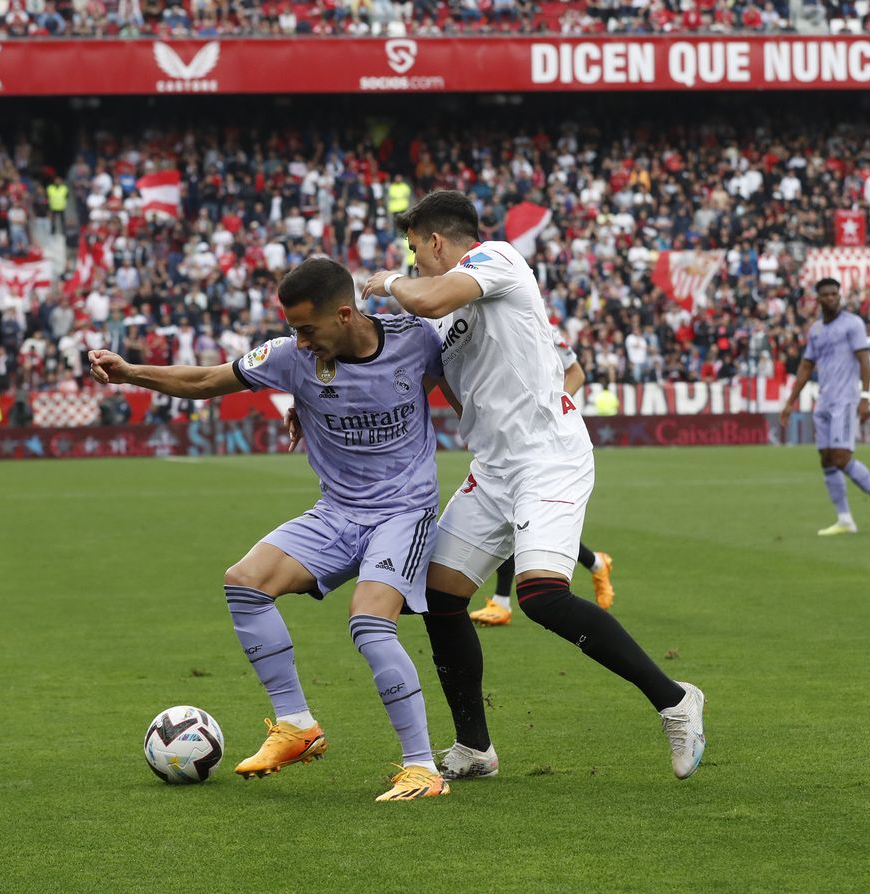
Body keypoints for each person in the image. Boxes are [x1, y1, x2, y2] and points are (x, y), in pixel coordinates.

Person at [365, 191, 705, 782]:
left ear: (437, 241)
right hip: (494, 467)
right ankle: (475, 747)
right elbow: (440, 383)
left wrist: (389, 281)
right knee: (441, 597)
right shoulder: (442, 318)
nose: (414, 259)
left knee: (542, 595)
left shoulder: (496, 259)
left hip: (549, 457)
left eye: (415, 247)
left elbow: (426, 292)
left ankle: (676, 701)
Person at [89, 256, 451, 802]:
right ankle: (298, 726)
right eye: (293, 330)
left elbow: (471, 379)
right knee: (246, 582)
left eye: (308, 328)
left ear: (347, 314)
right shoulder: (291, 357)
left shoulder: (417, 339)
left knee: (369, 622)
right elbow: (209, 379)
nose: (299, 342)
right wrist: (130, 372)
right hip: (338, 512)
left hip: (404, 512)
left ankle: (423, 767)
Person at [473, 338, 613, 624]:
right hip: (505, 442)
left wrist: (549, 411)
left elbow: (576, 372)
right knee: (519, 523)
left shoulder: (541, 326)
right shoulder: (489, 326)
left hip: (543, 448)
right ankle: (596, 562)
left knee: (521, 523)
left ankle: (501, 602)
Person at [779, 278, 870, 536]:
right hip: (823, 400)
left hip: (845, 400)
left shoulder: (853, 324)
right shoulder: (816, 330)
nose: (832, 298)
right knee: (826, 459)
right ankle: (845, 519)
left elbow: (865, 362)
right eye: (826, 295)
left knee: (841, 456)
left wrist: (865, 397)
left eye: (835, 293)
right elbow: (806, 366)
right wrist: (790, 402)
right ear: (818, 299)